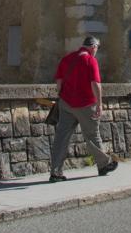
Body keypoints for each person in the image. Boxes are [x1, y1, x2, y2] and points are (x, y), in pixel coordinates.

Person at [49, 36, 117, 182]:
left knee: (61, 138)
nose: (97, 51)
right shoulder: (90, 60)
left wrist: (63, 97)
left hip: (67, 104)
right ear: (93, 47)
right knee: (92, 135)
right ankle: (103, 164)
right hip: (86, 104)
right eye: (97, 48)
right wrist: (99, 104)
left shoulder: (67, 59)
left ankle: (55, 172)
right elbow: (95, 84)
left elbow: (59, 82)